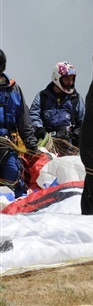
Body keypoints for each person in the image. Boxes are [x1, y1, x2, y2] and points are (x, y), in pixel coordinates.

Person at [0, 49, 39, 197]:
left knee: (13, 178)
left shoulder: (13, 90)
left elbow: (24, 121)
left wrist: (32, 147)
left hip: (7, 145)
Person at [30, 61, 85, 152]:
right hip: (45, 146)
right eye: (67, 79)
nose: (70, 82)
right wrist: (40, 130)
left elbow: (84, 122)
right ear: (57, 78)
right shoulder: (42, 97)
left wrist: (77, 134)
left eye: (72, 79)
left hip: (69, 149)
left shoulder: (76, 99)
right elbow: (33, 116)